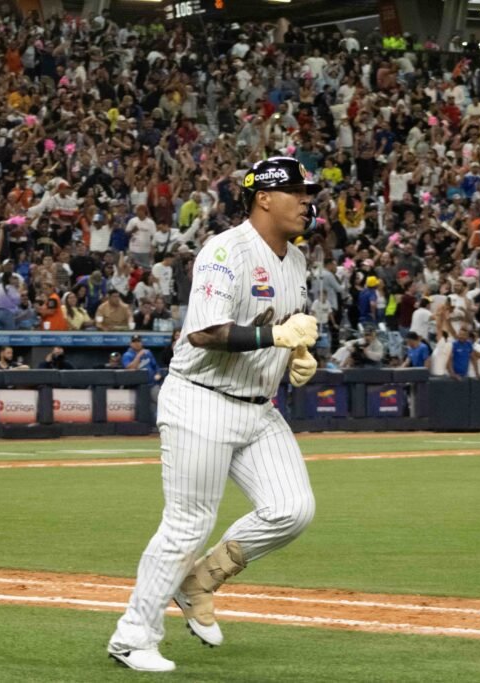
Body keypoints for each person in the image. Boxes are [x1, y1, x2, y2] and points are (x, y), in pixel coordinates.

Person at [109, 157, 320, 673]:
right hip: (202, 398)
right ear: (264, 197)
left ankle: (199, 581)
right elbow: (205, 332)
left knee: (292, 509)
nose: (308, 201)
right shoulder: (226, 250)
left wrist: (297, 355)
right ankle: (132, 636)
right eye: (297, 191)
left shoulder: (294, 260)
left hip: (257, 407)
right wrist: (276, 336)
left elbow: (282, 325)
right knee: (187, 524)